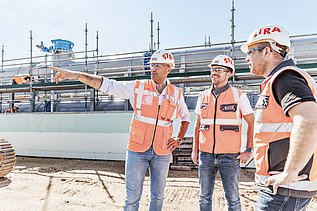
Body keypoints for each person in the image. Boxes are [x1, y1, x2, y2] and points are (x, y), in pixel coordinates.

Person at [49, 49, 190, 211]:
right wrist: (77, 75)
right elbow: (108, 85)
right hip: (137, 151)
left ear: (168, 69)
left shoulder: (176, 94)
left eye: (158, 65)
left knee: (158, 197)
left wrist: (178, 138)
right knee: (131, 199)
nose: (153, 69)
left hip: (163, 152)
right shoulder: (138, 87)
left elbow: (185, 118)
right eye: (151, 65)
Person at [240, 24, 317, 210]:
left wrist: (290, 172)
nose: (246, 58)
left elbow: (310, 121)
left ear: (267, 51)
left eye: (250, 51)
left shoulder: (285, 78)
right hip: (287, 187)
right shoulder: (281, 80)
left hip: (284, 189)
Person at [191, 54, 255, 211]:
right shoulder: (202, 96)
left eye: (219, 69)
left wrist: (249, 149)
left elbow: (252, 122)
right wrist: (195, 150)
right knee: (204, 197)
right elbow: (198, 125)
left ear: (230, 73)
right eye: (213, 69)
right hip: (205, 156)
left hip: (230, 156)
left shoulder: (239, 95)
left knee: (232, 199)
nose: (215, 72)